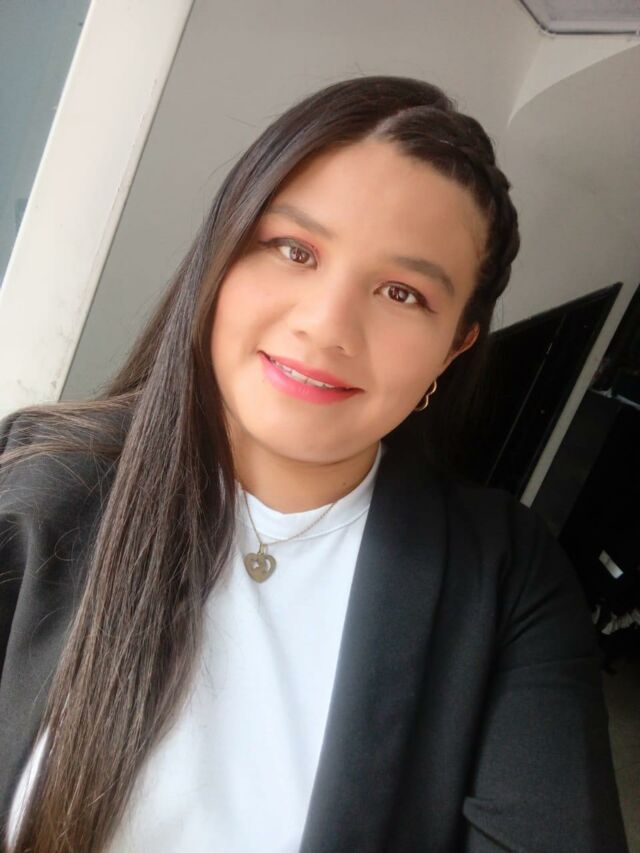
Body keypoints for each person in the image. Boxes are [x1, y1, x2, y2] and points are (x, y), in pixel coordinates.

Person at [0, 76, 628, 852]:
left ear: (455, 346)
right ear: (224, 251)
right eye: (294, 250)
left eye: (402, 292)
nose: (327, 326)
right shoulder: (38, 477)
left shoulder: (504, 578)